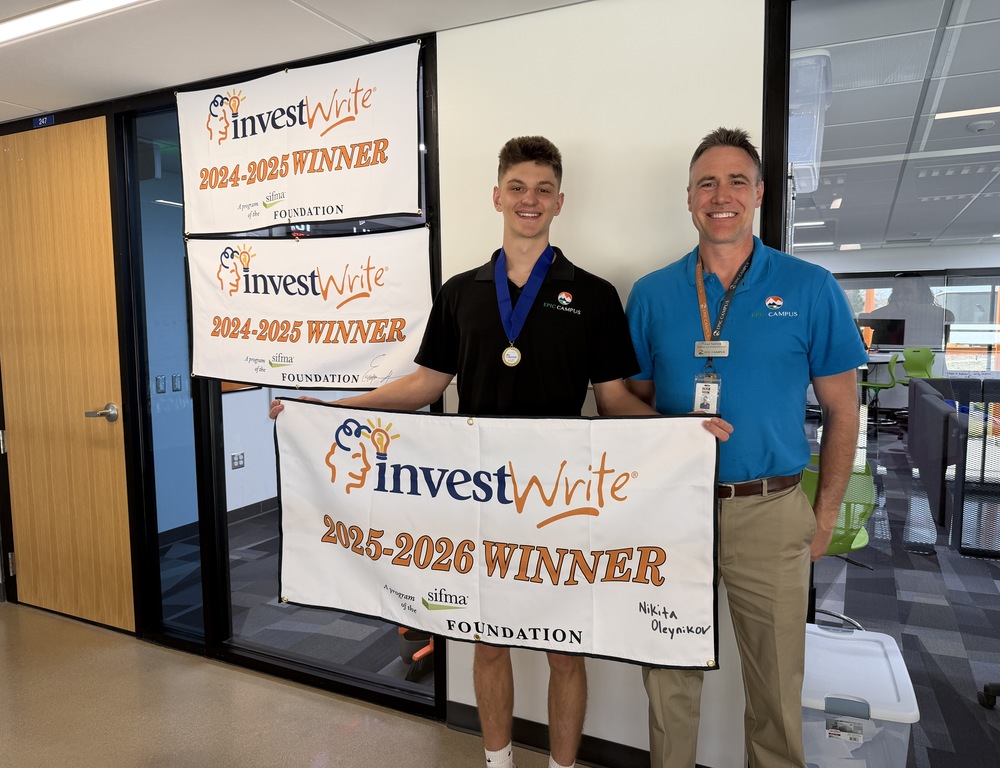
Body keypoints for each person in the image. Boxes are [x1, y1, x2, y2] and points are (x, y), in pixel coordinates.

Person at [271, 135, 731, 768]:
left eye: (543, 189)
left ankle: (562, 766)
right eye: (517, 187)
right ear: (496, 196)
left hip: (561, 499)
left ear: (560, 201)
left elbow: (615, 400)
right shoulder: (460, 292)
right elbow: (426, 384)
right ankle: (498, 761)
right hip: (479, 495)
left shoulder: (593, 295)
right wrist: (333, 412)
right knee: (486, 644)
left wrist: (681, 434)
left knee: (566, 645)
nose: (529, 200)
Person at [624, 127, 866, 768]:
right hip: (673, 514)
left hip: (771, 509)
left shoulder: (810, 287)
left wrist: (825, 516)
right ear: (689, 198)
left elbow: (845, 411)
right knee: (668, 677)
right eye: (707, 182)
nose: (721, 195)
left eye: (736, 181)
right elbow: (630, 405)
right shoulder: (650, 295)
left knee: (776, 693)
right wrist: (671, 434)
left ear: (758, 194)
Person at [859, 271, 955, 348]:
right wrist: (893, 308)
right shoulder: (889, 315)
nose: (900, 296)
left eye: (907, 292)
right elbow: (866, 319)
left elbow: (949, 316)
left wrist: (909, 307)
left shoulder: (931, 315)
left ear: (921, 295)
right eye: (896, 292)